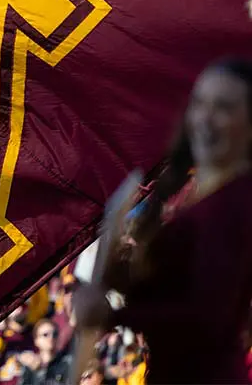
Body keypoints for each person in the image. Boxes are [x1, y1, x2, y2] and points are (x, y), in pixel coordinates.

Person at [75, 59, 252, 382]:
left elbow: (209, 317)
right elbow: (180, 292)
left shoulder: (239, 202)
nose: (206, 118)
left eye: (224, 107)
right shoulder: (201, 197)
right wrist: (122, 278)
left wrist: (113, 315)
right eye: (200, 104)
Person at [18, 319, 72, 384]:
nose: (51, 338)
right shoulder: (29, 365)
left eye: (55, 334)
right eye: (45, 334)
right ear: (36, 340)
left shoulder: (67, 362)